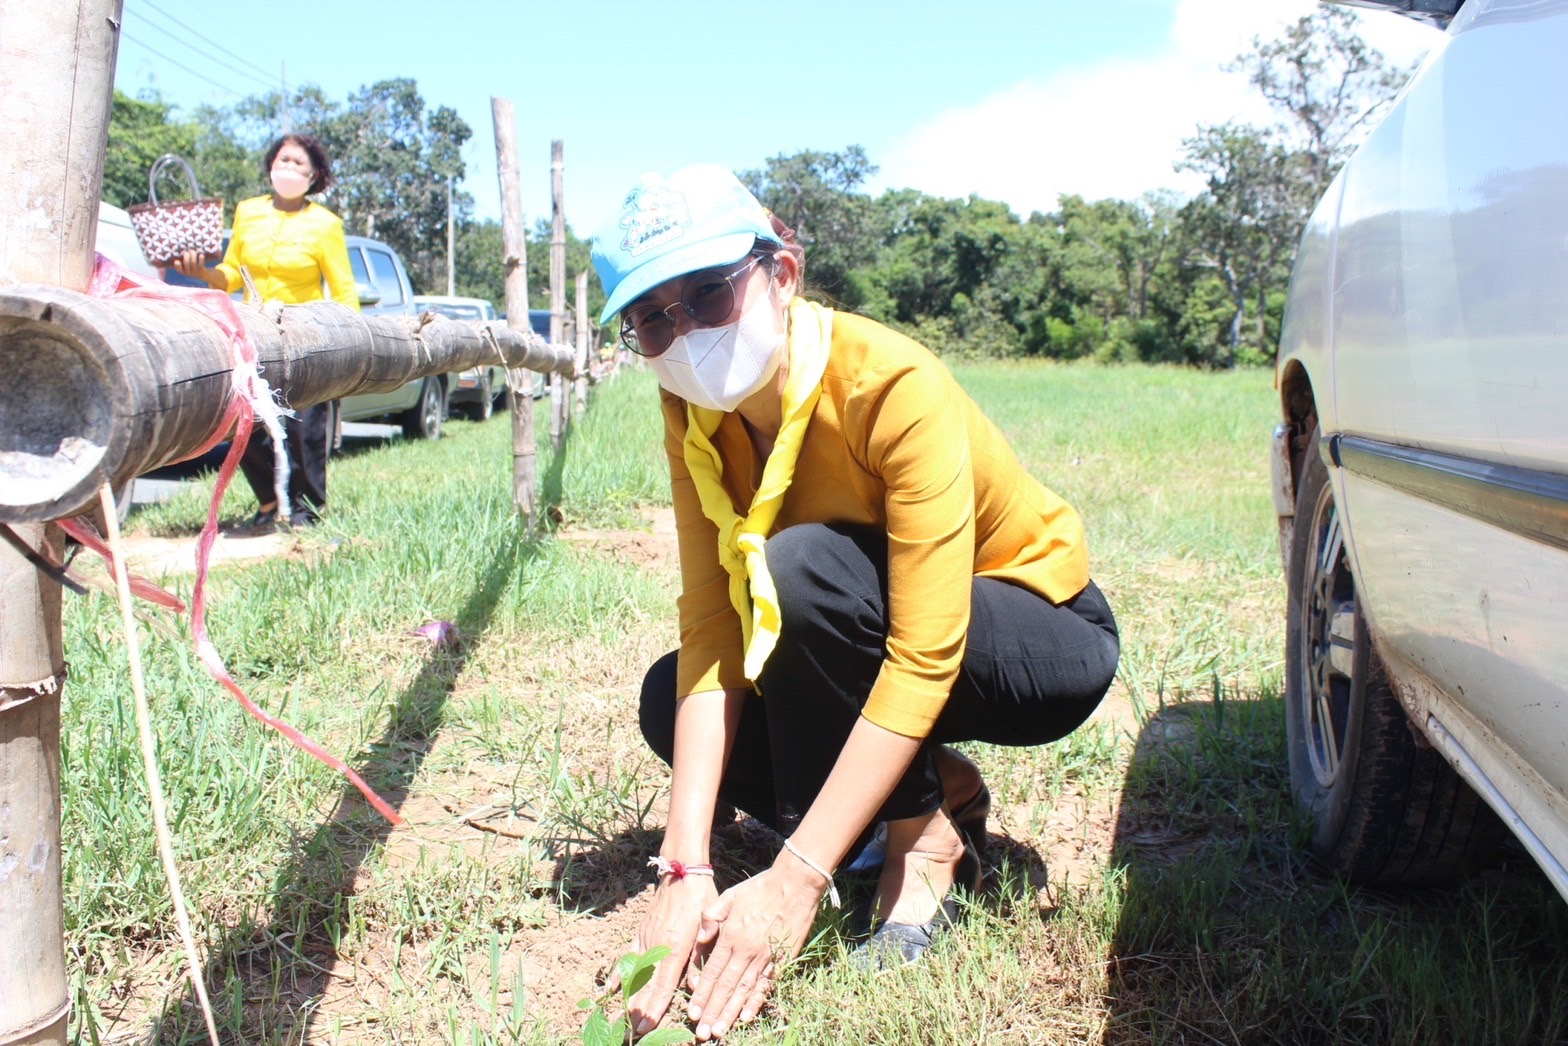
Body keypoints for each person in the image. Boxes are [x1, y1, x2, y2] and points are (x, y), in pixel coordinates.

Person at [590, 163, 1120, 1041]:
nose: (683, 334)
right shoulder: (692, 414)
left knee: (803, 574)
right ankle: (941, 790)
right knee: (668, 698)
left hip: (1033, 630)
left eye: (709, 294)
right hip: (858, 620)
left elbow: (923, 651)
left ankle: (924, 844)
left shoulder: (889, 385)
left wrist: (796, 877)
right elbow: (715, 623)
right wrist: (683, 867)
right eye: (652, 319)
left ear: (781, 275)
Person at [173, 133, 358, 529]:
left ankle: (308, 511)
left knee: (305, 430)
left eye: (298, 164)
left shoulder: (326, 225)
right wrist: (202, 273)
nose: (288, 169)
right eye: (283, 160)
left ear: (315, 177)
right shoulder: (247, 212)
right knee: (243, 420)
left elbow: (344, 291)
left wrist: (348, 348)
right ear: (271, 165)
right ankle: (270, 501)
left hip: (307, 338)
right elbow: (230, 271)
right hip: (252, 332)